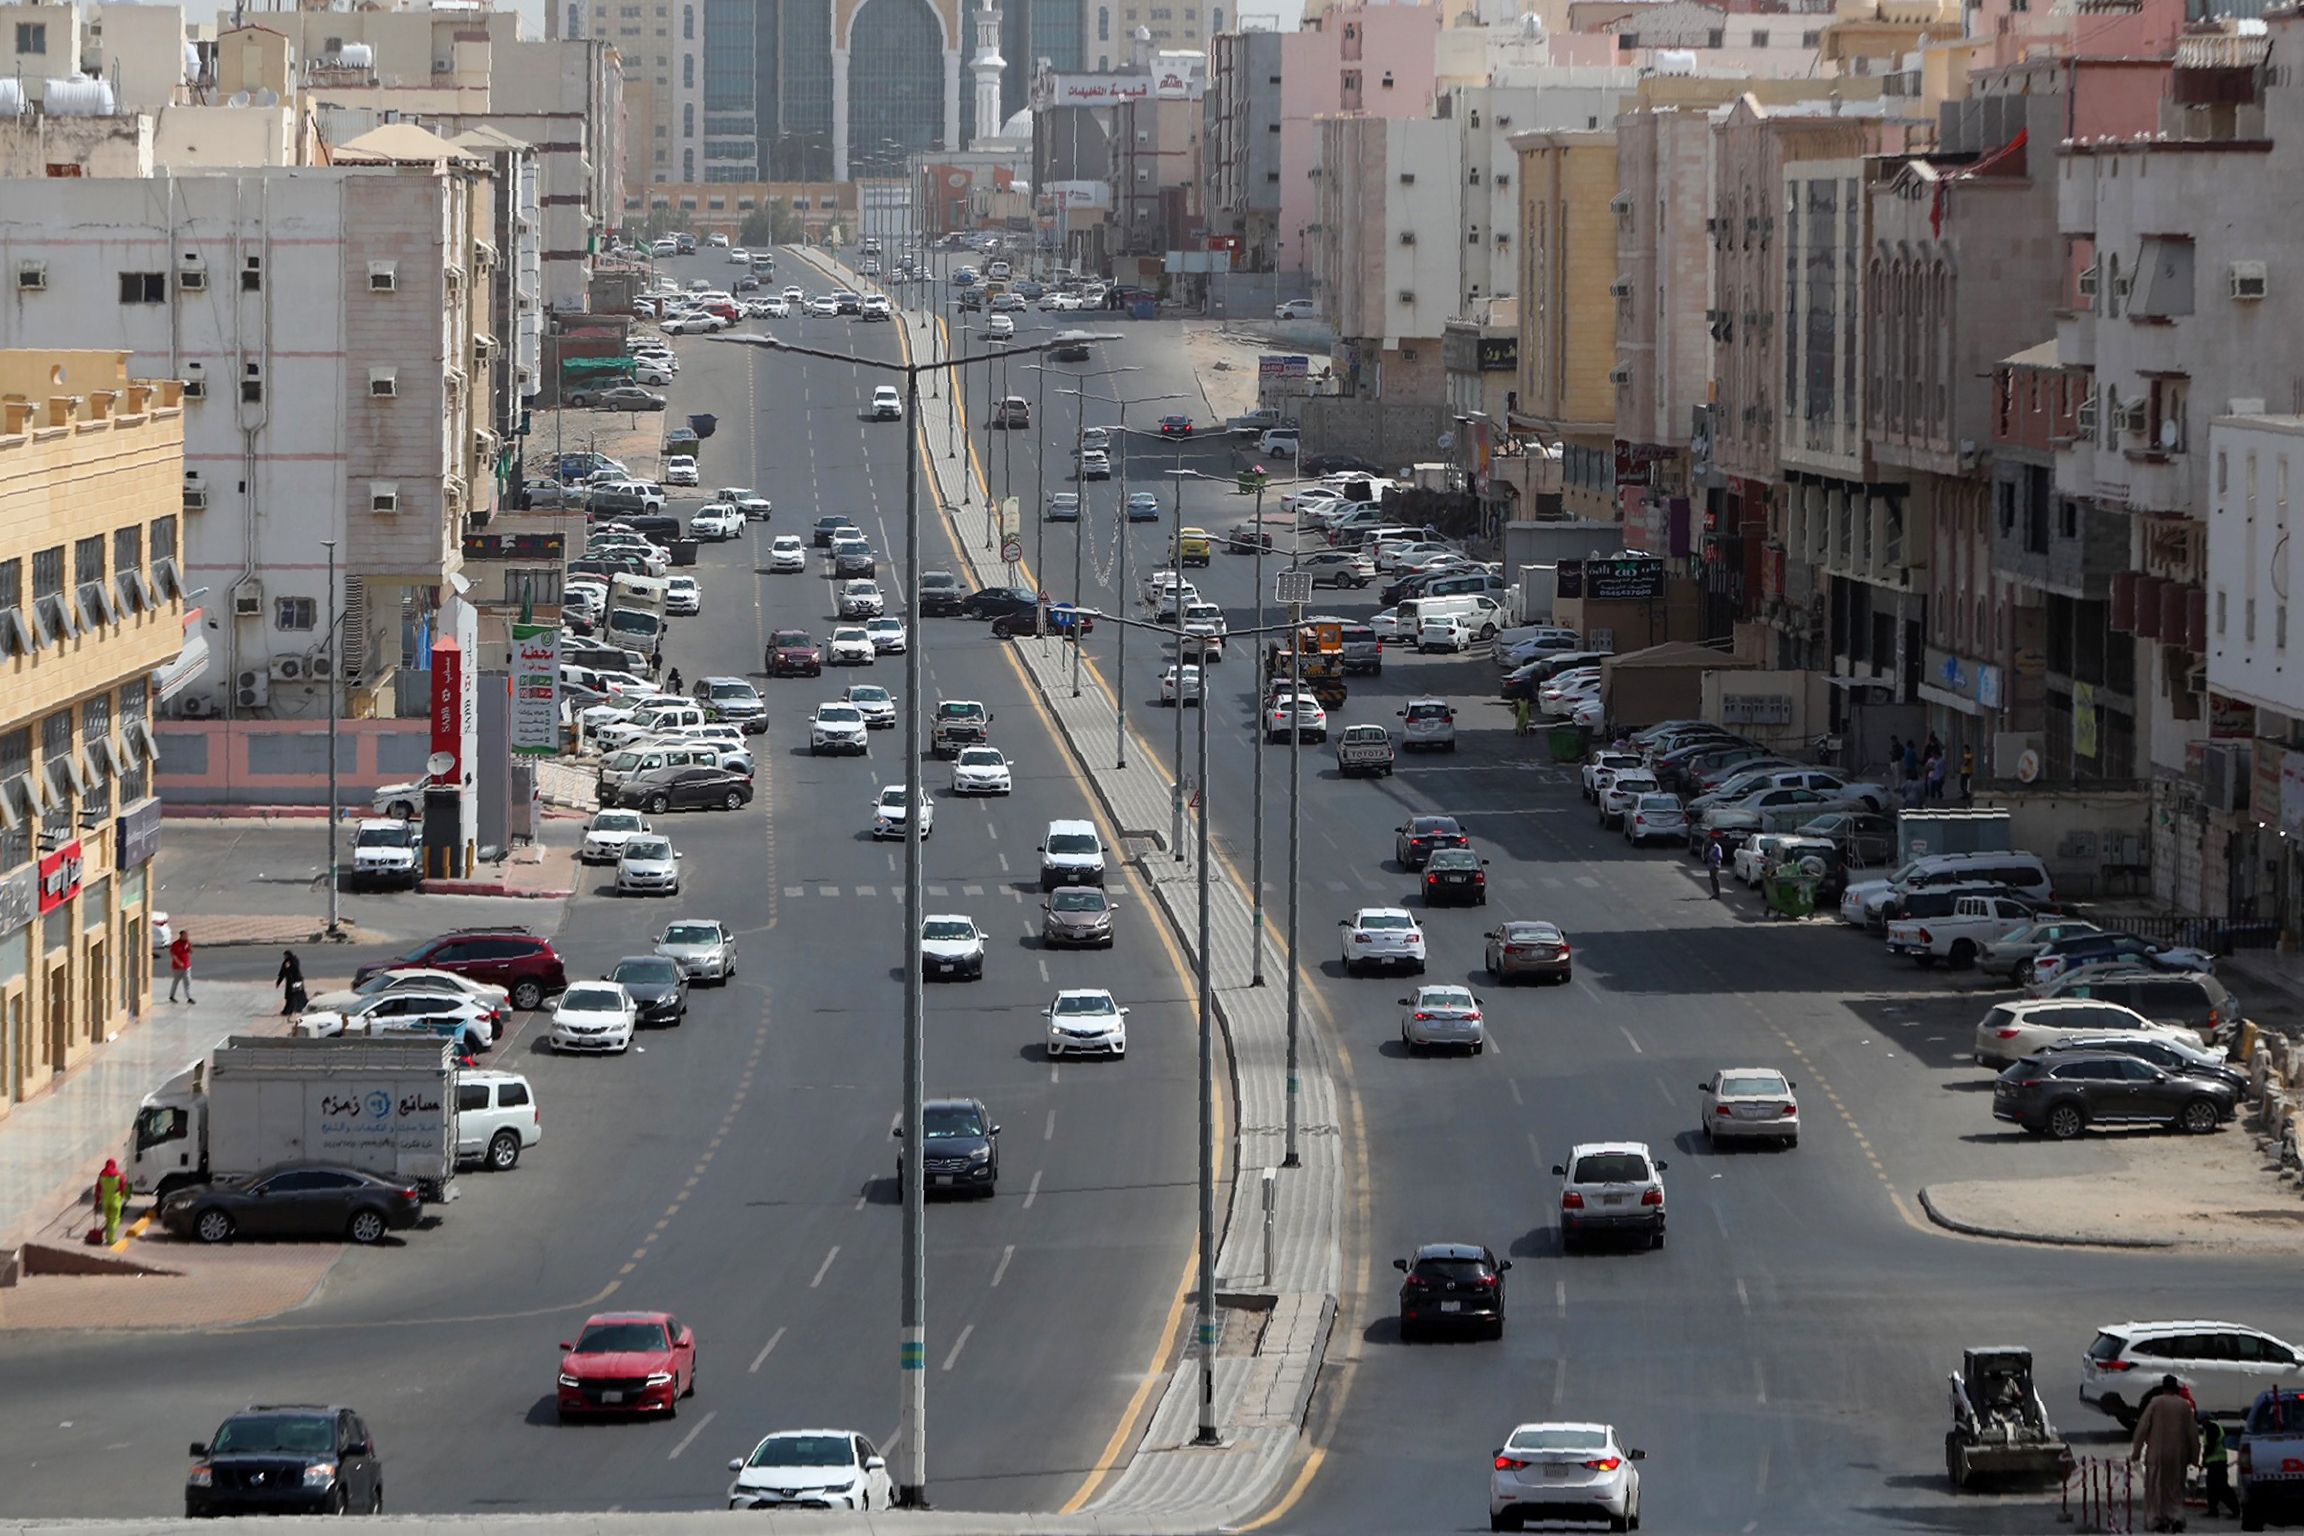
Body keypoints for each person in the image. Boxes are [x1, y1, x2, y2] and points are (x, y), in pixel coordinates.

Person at [2132, 1375, 2200, 1532]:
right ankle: (2175, 1516)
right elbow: (2193, 1434)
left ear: (2163, 1388)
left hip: (2156, 1453)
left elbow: (2142, 1428)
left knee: (2155, 1487)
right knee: (2175, 1488)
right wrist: (2195, 1457)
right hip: (2178, 1455)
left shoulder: (2155, 1403)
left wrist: (2136, 1452)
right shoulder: (2184, 1406)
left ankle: (2157, 1519)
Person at [2200, 1411, 2239, 1519]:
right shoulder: (2214, 1426)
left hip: (2217, 1462)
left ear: (2205, 1420)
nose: (2201, 1424)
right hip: (2216, 1462)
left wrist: (2204, 1459)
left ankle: (2235, 1510)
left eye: (2201, 1421)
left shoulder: (2211, 1427)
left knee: (2221, 1488)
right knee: (2212, 1487)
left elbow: (2211, 1445)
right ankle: (2213, 1510)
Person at [94, 1157, 130, 1246]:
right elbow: (123, 1188)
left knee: (108, 1219)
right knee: (115, 1220)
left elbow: (97, 1190)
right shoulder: (119, 1175)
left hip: (105, 1200)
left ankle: (108, 1236)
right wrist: (123, 1196)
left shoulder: (101, 1175)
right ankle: (111, 1239)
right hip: (115, 1200)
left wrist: (97, 1202)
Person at [276, 949, 307, 1018]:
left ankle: (292, 1010)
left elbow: (291, 970)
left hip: (295, 981)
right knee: (294, 995)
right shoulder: (291, 961)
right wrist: (278, 982)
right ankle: (291, 1010)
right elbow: (282, 973)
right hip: (294, 981)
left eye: (285, 956)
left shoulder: (292, 961)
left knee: (295, 995)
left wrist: (289, 966)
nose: (284, 957)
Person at [166, 928, 194, 1003]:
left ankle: (189, 997)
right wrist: (179, 962)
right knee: (176, 982)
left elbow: (190, 951)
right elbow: (173, 955)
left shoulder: (188, 943)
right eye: (185, 935)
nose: (187, 937)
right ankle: (172, 996)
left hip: (186, 966)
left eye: (187, 935)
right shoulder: (175, 944)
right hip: (177, 968)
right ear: (181, 936)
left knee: (187, 982)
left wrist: (190, 948)